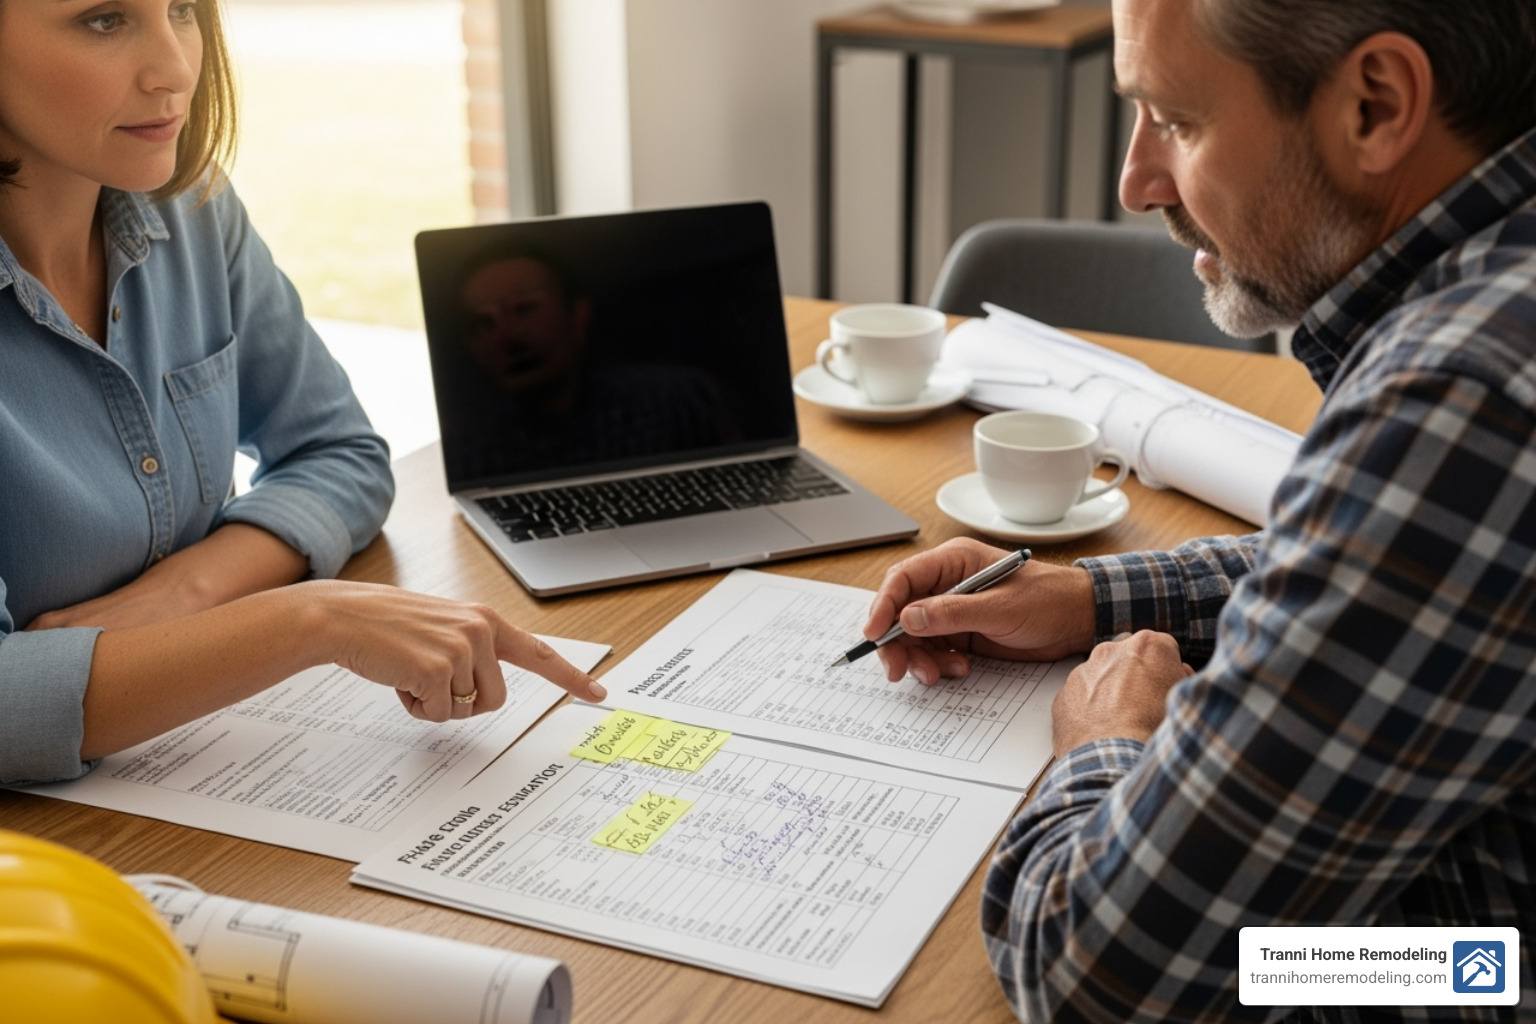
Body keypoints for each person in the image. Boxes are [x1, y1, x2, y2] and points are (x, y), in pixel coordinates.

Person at [862, 0, 1536, 1019]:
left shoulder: (1466, 399)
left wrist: (1108, 743)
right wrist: (1094, 595)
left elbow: (1096, 974)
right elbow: (1392, 565)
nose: (1135, 181)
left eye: (1173, 120)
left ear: (1376, 103)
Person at [0, 0, 604, 787]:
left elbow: (339, 454)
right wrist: (308, 617)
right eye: (105, 20)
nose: (178, 69)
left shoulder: (192, 212)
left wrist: (187, 591)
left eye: (183, 9)